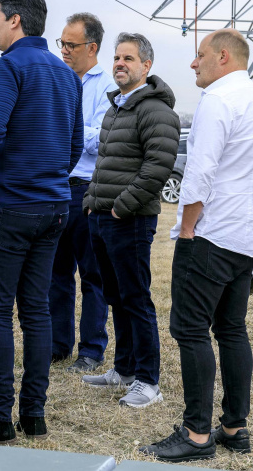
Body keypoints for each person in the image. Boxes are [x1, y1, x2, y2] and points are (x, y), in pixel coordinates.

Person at [140, 29, 253, 462]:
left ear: (223, 57)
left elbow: (199, 173)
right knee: (231, 329)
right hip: (248, 236)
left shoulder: (218, 101)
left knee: (189, 329)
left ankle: (197, 433)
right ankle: (234, 427)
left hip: (213, 233)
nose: (192, 64)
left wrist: (186, 228)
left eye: (198, 55)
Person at [0, 0, 83, 444]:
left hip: (11, 207)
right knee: (36, 310)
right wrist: (47, 175)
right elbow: (73, 146)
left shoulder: (8, 66)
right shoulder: (66, 73)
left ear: (15, 20)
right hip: (54, 205)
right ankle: (34, 413)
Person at [81, 33, 180, 405]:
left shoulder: (156, 111)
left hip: (130, 219)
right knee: (115, 296)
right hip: (101, 216)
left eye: (129, 58)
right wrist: (93, 202)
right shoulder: (117, 108)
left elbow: (158, 168)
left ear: (146, 66)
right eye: (117, 57)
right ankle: (123, 370)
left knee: (136, 298)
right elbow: (104, 163)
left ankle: (148, 381)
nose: (120, 63)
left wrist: (122, 206)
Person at [49, 13, 112, 373]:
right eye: (62, 43)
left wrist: (66, 131)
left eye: (71, 45)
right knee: (55, 273)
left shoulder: (108, 87)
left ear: (92, 47)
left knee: (92, 275)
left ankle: (91, 350)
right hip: (54, 187)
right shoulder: (54, 78)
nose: (64, 51)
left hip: (88, 190)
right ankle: (58, 345)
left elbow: (102, 139)